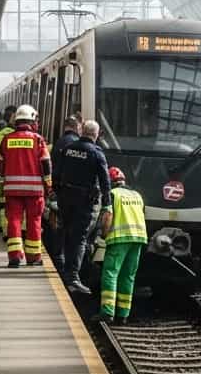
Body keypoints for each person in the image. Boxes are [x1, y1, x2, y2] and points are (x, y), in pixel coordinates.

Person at [53, 119, 111, 294]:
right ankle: (73, 278)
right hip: (84, 202)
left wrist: (58, 193)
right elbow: (105, 181)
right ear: (96, 134)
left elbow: (56, 173)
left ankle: (64, 268)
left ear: (82, 131)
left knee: (67, 232)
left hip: (65, 198)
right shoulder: (96, 153)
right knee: (79, 238)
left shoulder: (68, 149)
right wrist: (107, 203)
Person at [0, 104, 52, 267]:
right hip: (34, 190)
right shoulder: (38, 140)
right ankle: (33, 257)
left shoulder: (7, 139)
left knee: (13, 220)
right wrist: (48, 185)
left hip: (12, 189)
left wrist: (1, 180)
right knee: (34, 221)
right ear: (32, 121)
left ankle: (14, 257)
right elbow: (46, 164)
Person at [93, 165, 145, 325]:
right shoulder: (137, 195)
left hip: (119, 239)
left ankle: (107, 312)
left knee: (110, 273)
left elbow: (108, 216)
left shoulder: (112, 194)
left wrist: (103, 234)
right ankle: (123, 314)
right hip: (138, 238)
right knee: (128, 276)